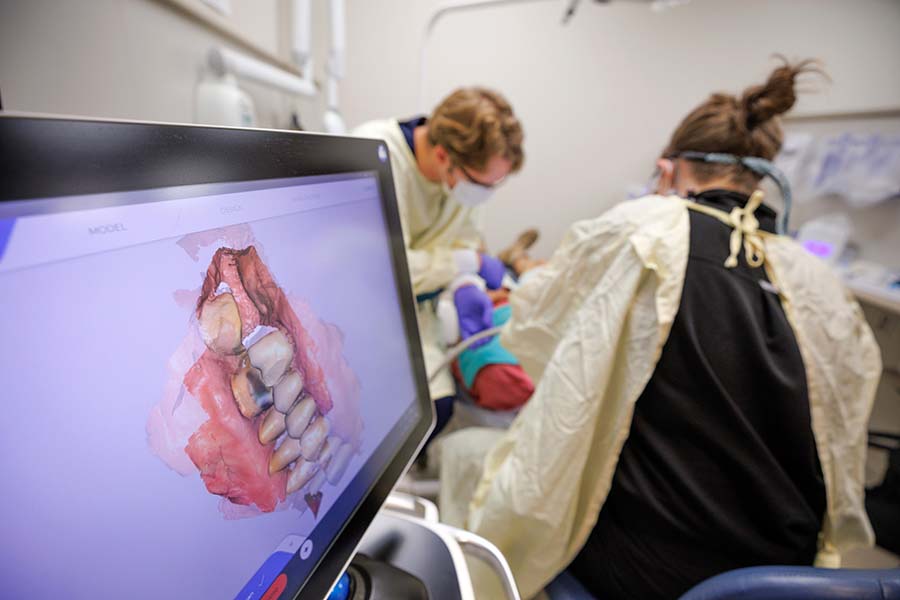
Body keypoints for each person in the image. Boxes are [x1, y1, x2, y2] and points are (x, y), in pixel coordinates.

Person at [439, 59, 882, 599]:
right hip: (782, 576)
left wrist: (517, 286)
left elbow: (536, 331)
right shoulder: (817, 279)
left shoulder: (646, 227)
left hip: (653, 574)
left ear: (667, 171)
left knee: (471, 457)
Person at [353, 88, 525, 427]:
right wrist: (467, 264)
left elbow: (465, 240)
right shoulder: (373, 152)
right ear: (444, 156)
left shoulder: (464, 180)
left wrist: (465, 284)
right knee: (387, 419)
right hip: (367, 310)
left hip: (419, 315)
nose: (485, 195)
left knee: (437, 409)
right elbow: (383, 269)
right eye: (482, 185)